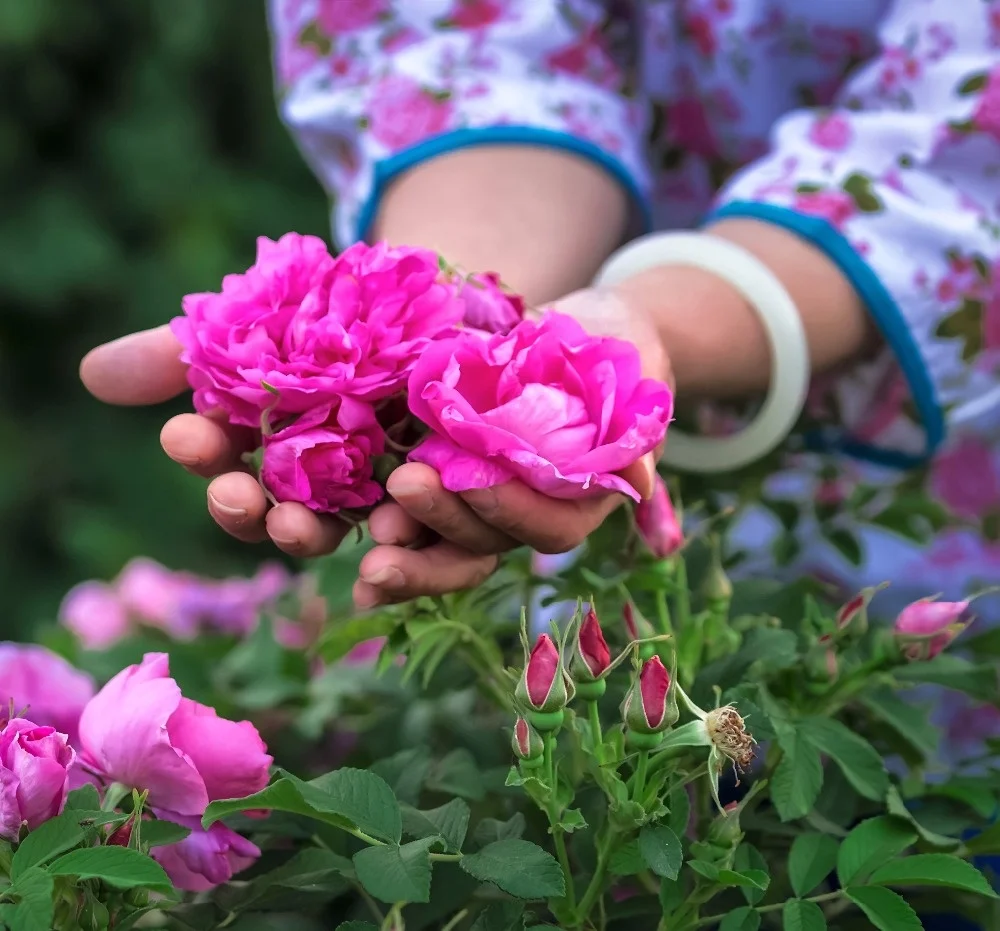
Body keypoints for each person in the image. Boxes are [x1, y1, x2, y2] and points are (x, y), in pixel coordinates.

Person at [80, 0, 1000, 620]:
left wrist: (653, 326)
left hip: (946, 587)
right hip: (590, 622)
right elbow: (464, 37)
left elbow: (968, 136)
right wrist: (451, 311)